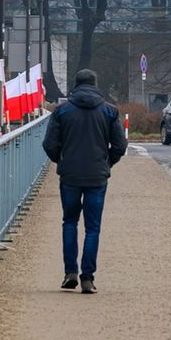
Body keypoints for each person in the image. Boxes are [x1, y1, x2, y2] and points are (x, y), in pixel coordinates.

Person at [41, 69, 126, 294]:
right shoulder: (109, 111)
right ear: (95, 84)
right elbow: (120, 146)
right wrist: (107, 163)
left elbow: (49, 144)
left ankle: (70, 273)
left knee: (69, 222)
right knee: (93, 228)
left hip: (70, 175)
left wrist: (61, 160)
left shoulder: (62, 111)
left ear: (75, 85)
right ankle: (87, 278)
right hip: (97, 175)